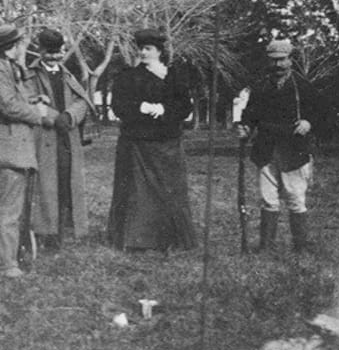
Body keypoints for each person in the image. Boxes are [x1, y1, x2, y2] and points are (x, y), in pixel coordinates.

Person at [107, 27, 197, 253]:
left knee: (170, 190)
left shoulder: (174, 75)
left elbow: (185, 106)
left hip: (168, 142)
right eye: (141, 49)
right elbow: (118, 106)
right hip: (138, 142)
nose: (143, 53)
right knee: (140, 192)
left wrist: (164, 109)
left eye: (148, 49)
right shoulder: (128, 77)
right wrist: (141, 106)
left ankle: (171, 238)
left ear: (159, 51)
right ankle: (140, 240)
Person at [237, 39, 330, 253]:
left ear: (290, 60)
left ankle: (301, 247)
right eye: (273, 61)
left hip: (294, 149)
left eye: (282, 60)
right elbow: (251, 114)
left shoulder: (302, 86)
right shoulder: (260, 87)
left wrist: (308, 122)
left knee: (295, 198)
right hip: (266, 149)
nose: (278, 65)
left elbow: (321, 112)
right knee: (268, 199)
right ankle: (266, 247)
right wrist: (246, 128)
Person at [0, 25, 57, 277]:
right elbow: (8, 106)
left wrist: (34, 100)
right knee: (9, 210)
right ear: (12, 46)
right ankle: (8, 264)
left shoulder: (10, 68)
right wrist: (38, 114)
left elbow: (14, 100)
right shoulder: (2, 70)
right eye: (21, 43)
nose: (23, 47)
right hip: (9, 149)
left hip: (15, 148)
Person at [28, 28, 92, 249]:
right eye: (49, 52)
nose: (54, 56)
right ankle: (46, 232)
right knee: (46, 186)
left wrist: (69, 116)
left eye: (58, 52)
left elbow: (83, 101)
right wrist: (56, 118)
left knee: (67, 182)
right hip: (44, 138)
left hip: (67, 138)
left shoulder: (68, 75)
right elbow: (31, 104)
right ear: (40, 50)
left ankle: (66, 229)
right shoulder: (30, 75)